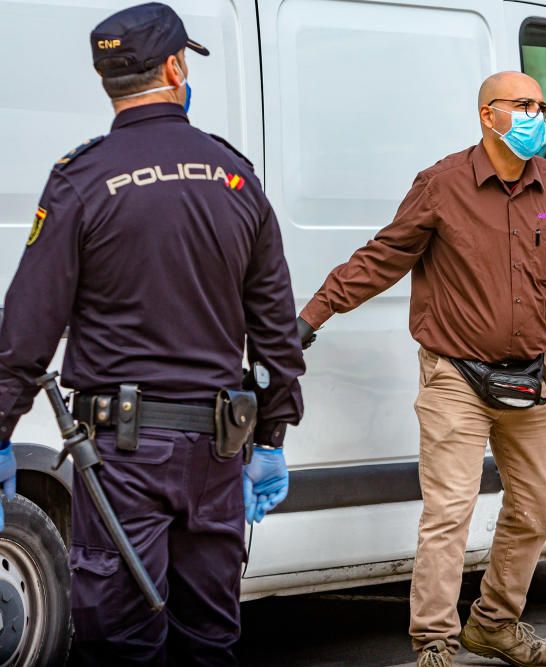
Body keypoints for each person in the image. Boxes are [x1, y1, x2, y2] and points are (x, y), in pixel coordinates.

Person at [0, 3, 305, 664]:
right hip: (219, 453)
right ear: (173, 67)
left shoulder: (80, 179)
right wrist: (272, 435)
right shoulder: (233, 176)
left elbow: (24, 333)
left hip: (122, 456)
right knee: (209, 638)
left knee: (122, 641)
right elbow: (277, 328)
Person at [297, 71, 546, 667]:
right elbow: (381, 258)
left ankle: (494, 623)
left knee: (535, 506)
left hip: (530, 379)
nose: (538, 115)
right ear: (488, 115)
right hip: (454, 377)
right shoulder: (442, 185)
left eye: (542, 105)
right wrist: (311, 317)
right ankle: (434, 639)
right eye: (524, 105)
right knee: (449, 513)